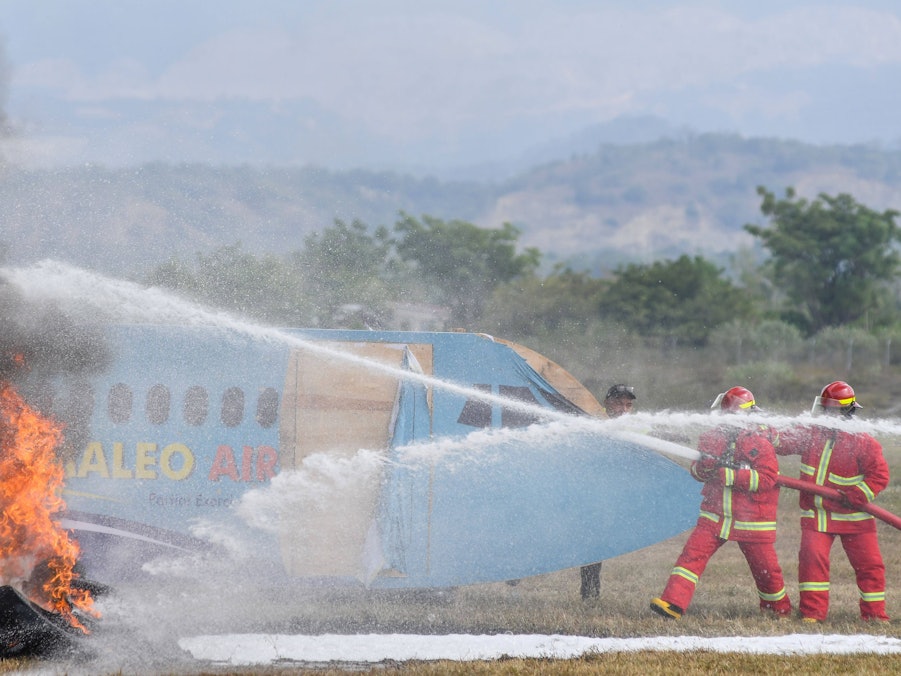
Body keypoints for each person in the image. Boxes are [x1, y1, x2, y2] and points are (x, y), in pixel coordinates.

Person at [650, 386, 791, 619]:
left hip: (752, 520)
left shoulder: (761, 442)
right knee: (691, 557)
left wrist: (734, 476)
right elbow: (697, 472)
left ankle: (778, 609)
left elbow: (767, 479)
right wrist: (704, 467)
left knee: (766, 570)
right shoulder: (711, 438)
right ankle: (672, 603)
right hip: (715, 516)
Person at [777, 381, 890, 622]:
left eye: (831, 410)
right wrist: (764, 435)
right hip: (818, 514)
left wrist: (858, 494)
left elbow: (879, 476)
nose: (826, 414)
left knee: (870, 566)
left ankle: (874, 615)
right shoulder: (812, 433)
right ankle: (812, 613)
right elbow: (783, 442)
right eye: (825, 409)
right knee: (811, 562)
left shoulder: (864, 442)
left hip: (855, 516)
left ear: (846, 412)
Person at [580, 384, 637, 601]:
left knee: (595, 542)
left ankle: (590, 592)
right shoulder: (593, 421)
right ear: (606, 403)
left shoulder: (633, 425)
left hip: (607, 496)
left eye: (628, 405)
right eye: (619, 403)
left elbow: (650, 434)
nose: (623, 409)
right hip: (586, 493)